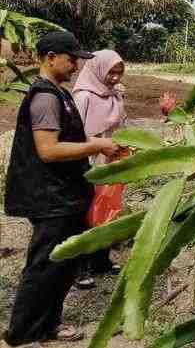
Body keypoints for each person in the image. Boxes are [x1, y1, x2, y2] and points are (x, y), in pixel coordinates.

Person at [3, 31, 119, 346]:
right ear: (51, 57)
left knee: (62, 265)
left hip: (63, 193)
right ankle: (22, 332)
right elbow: (48, 150)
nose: (75, 66)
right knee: (44, 265)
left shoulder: (60, 92)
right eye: (71, 59)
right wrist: (95, 145)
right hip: (49, 197)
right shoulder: (45, 97)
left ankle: (48, 325)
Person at [72, 50, 127, 288]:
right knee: (84, 213)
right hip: (87, 160)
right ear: (97, 70)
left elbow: (122, 126)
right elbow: (73, 134)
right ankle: (79, 268)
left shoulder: (115, 96)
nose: (114, 77)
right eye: (110, 72)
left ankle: (101, 261)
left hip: (109, 161)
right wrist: (96, 147)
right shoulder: (83, 97)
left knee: (105, 211)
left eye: (119, 72)